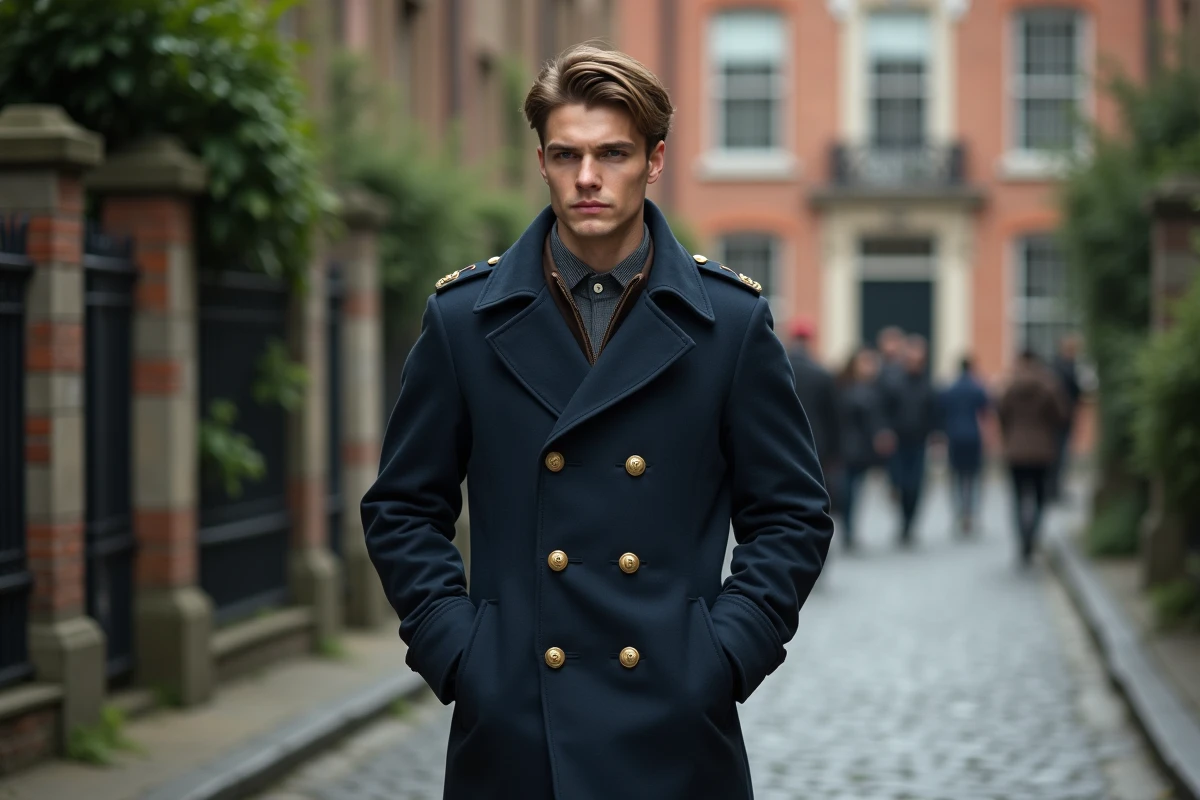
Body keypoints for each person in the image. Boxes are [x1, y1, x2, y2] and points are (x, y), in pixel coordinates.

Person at [360, 45, 833, 800]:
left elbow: (792, 515)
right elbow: (402, 508)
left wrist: (721, 655)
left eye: (612, 153)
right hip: (517, 728)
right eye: (567, 154)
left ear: (654, 160)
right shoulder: (463, 322)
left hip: (675, 730)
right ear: (541, 161)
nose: (587, 178)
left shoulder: (730, 324)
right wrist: (462, 652)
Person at [997, 350, 1070, 565]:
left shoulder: (1009, 386)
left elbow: (1001, 414)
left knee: (1018, 498)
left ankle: (1023, 537)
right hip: (1042, 450)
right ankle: (1033, 533)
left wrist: (1009, 437)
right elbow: (1061, 415)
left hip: (1015, 450)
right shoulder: (1049, 385)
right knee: (1040, 497)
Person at [836, 347, 894, 551]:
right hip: (847, 448)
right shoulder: (845, 387)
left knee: (856, 491)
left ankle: (850, 531)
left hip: (862, 450)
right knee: (847, 491)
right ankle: (847, 531)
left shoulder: (876, 389)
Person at [884, 334, 937, 546]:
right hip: (898, 442)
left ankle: (909, 524)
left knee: (915, 486)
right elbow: (885, 409)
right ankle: (902, 520)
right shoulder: (894, 383)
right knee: (899, 484)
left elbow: (934, 413)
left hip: (919, 442)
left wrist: (937, 436)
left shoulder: (928, 385)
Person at [786, 315, 841, 500]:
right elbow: (833, 416)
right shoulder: (822, 374)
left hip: (784, 436)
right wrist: (835, 451)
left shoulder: (779, 369)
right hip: (816, 440)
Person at [938, 356, 990, 536]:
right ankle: (972, 514)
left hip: (954, 437)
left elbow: (941, 411)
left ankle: (958, 513)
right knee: (974, 477)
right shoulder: (977, 388)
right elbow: (986, 409)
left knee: (956, 478)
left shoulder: (950, 388)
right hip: (973, 437)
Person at [1049, 333, 1083, 501]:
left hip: (1057, 418)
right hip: (1063, 417)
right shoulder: (1066, 367)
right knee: (1060, 456)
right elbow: (1076, 390)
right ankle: (1055, 490)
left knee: (1058, 455)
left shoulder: (1055, 366)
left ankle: (1054, 489)